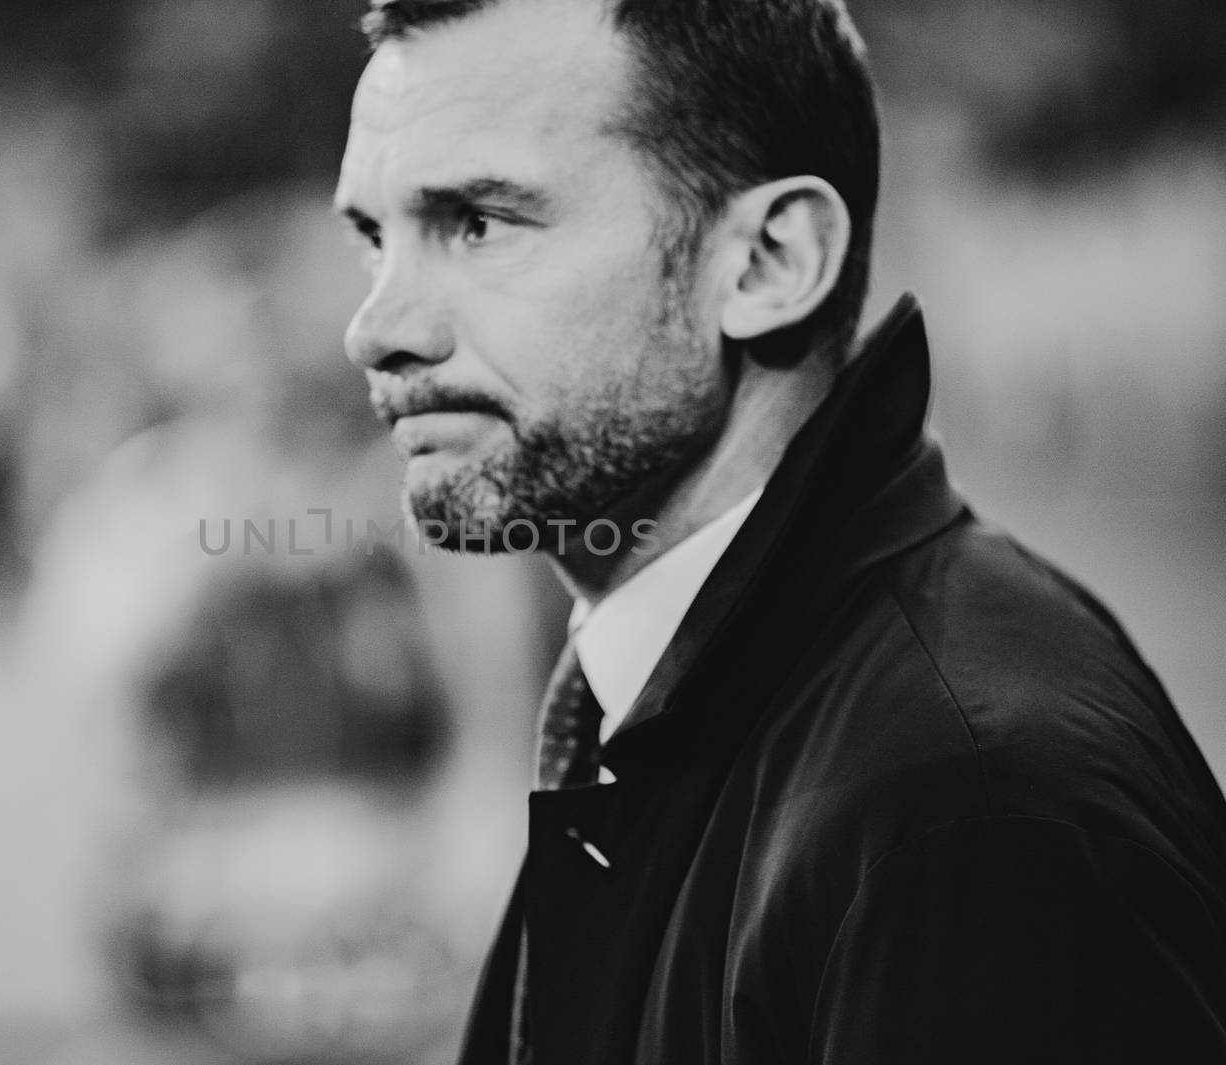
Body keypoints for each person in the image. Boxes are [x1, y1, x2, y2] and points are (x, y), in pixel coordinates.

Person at [331, 0, 1226, 1062]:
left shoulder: (965, 814)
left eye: (478, 222)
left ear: (765, 262)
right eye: (375, 239)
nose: (376, 329)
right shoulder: (683, 690)